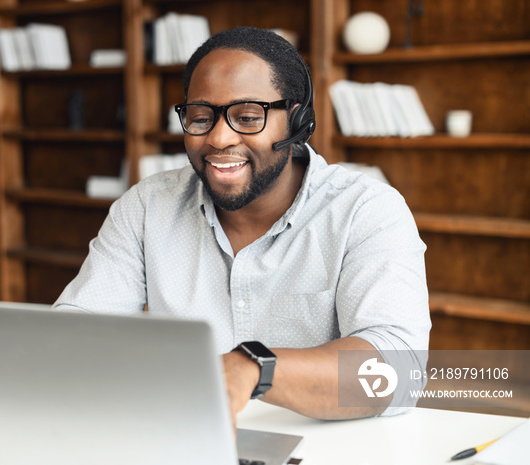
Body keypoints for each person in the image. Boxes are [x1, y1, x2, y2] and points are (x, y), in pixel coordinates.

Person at [54, 26, 430, 423]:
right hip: (185, 440)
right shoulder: (148, 206)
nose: (217, 138)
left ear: (298, 121)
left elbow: (399, 370)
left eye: (247, 117)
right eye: (200, 117)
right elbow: (73, 334)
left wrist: (253, 369)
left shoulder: (366, 211)